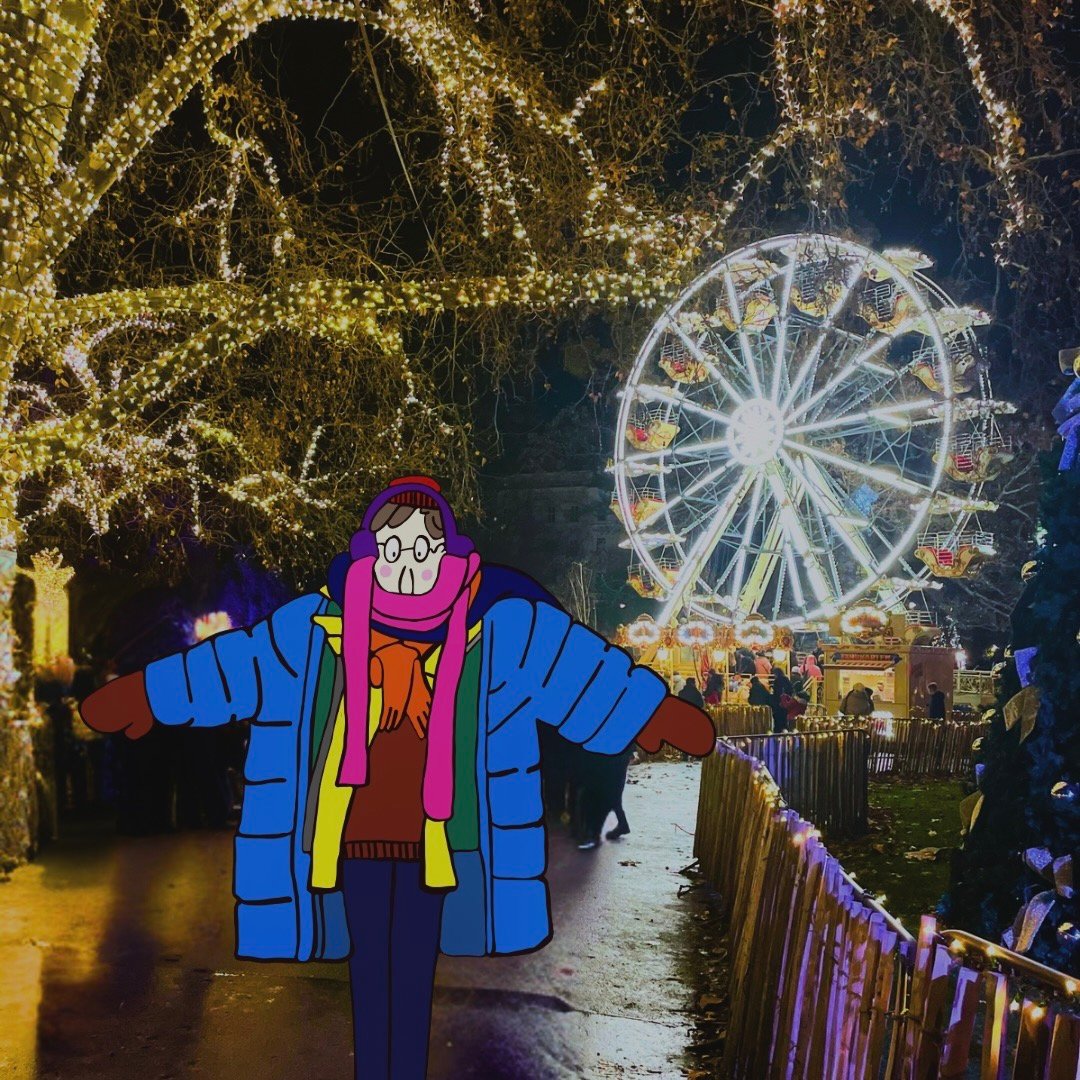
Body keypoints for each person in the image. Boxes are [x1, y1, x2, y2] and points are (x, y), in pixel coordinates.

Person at [79, 475, 715, 1080]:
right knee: (370, 971)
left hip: (436, 838)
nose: (407, 562)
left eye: (422, 548)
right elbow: (238, 665)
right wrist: (146, 694)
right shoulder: (316, 629)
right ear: (370, 554)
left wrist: (649, 711)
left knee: (410, 971)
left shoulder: (494, 627)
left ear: (446, 555)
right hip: (350, 834)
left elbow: (569, 666)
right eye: (393, 548)